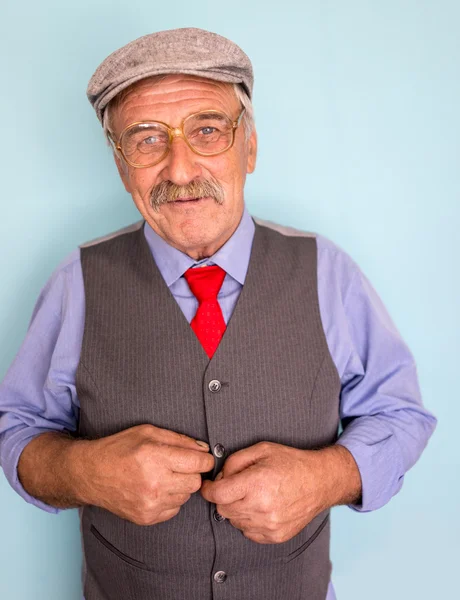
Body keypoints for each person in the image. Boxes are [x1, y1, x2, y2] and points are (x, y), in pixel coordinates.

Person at [0, 27, 436, 600]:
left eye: (207, 131)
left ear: (249, 146)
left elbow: (400, 414)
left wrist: (327, 477)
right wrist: (86, 472)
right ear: (120, 163)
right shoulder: (74, 284)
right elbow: (18, 431)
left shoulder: (329, 273)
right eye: (147, 139)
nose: (180, 170)